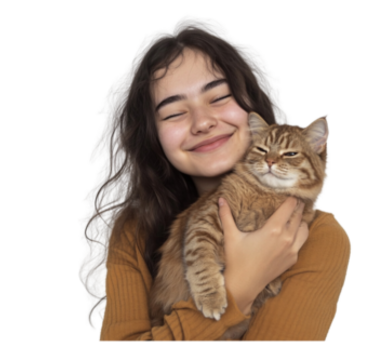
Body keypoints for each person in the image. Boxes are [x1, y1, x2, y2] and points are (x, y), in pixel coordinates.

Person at [79, 15, 352, 342]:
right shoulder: (133, 229)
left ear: (252, 106)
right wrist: (239, 289)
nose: (202, 122)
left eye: (219, 96)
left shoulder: (321, 237)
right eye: (174, 112)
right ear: (153, 137)